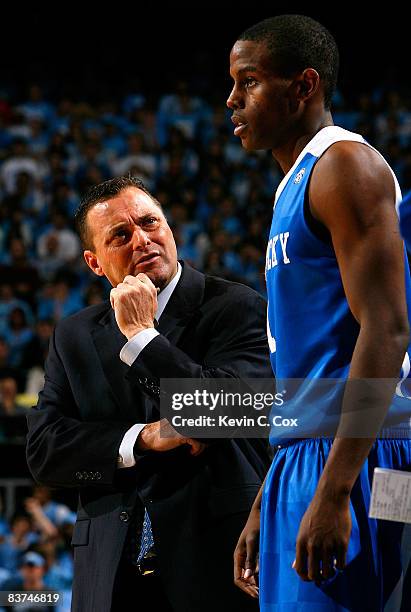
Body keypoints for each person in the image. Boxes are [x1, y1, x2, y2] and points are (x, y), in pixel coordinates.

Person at [227, 14, 411, 611]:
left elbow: (386, 329)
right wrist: (270, 496)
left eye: (249, 81)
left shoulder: (345, 167)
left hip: (366, 454)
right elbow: (310, 361)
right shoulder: (294, 184)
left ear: (303, 86)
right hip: (306, 454)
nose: (233, 99)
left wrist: (333, 491)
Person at [26, 176, 272, 612]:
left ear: (170, 229)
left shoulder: (236, 306)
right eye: (120, 235)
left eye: (150, 223)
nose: (141, 239)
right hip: (109, 571)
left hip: (214, 562)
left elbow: (229, 412)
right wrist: (141, 438)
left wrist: (142, 338)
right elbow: (45, 452)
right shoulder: (74, 334)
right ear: (94, 262)